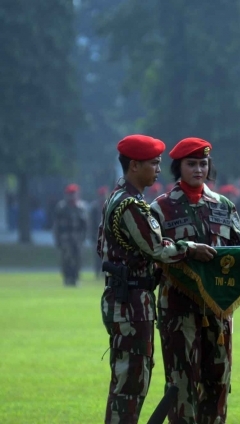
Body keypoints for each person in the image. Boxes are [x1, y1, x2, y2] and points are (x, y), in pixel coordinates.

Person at [97, 134, 216, 424]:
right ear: (135, 165)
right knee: (131, 384)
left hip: (127, 299)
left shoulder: (119, 197)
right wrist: (191, 248)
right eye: (154, 163)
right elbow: (158, 248)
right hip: (131, 302)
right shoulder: (131, 206)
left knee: (131, 380)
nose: (159, 170)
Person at [150, 137, 240, 423]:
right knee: (182, 382)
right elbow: (155, 253)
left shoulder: (224, 206)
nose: (198, 169)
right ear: (178, 167)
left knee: (218, 381)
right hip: (178, 310)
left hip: (217, 309)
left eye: (203, 163)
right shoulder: (161, 208)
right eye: (191, 164)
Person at [52, 183, 88, 286]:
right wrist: (57, 239)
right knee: (66, 259)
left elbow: (85, 225)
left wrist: (84, 238)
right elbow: (56, 226)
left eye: (74, 194)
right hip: (65, 238)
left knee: (78, 259)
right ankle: (67, 278)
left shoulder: (81, 207)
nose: (72, 196)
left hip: (77, 238)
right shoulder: (61, 208)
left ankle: (75, 278)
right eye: (70, 194)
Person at [90, 186, 110, 279]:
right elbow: (91, 223)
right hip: (97, 234)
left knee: (108, 254)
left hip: (108, 235)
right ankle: (97, 272)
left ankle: (106, 271)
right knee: (98, 254)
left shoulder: (110, 205)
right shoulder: (95, 207)